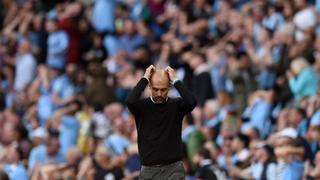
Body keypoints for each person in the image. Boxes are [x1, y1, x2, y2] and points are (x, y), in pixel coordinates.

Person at [126, 65, 197, 179]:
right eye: (155, 89)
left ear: (169, 86)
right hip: (149, 169)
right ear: (149, 86)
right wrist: (145, 78)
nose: (159, 93)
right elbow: (130, 101)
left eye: (163, 89)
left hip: (173, 168)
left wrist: (176, 80)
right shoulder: (142, 107)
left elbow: (191, 102)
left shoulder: (176, 105)